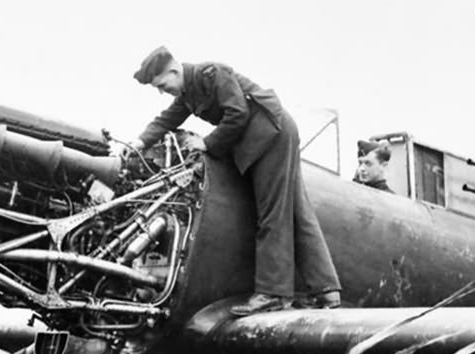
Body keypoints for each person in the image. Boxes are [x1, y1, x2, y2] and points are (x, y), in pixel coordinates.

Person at [131, 47, 341, 315]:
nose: (163, 91)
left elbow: (238, 113)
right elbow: (165, 120)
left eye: (162, 85)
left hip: (270, 134)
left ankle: (273, 293)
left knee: (272, 213)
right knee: (297, 213)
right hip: (265, 135)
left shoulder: (212, 74)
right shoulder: (188, 92)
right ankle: (327, 291)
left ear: (174, 71)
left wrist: (207, 144)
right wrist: (138, 142)